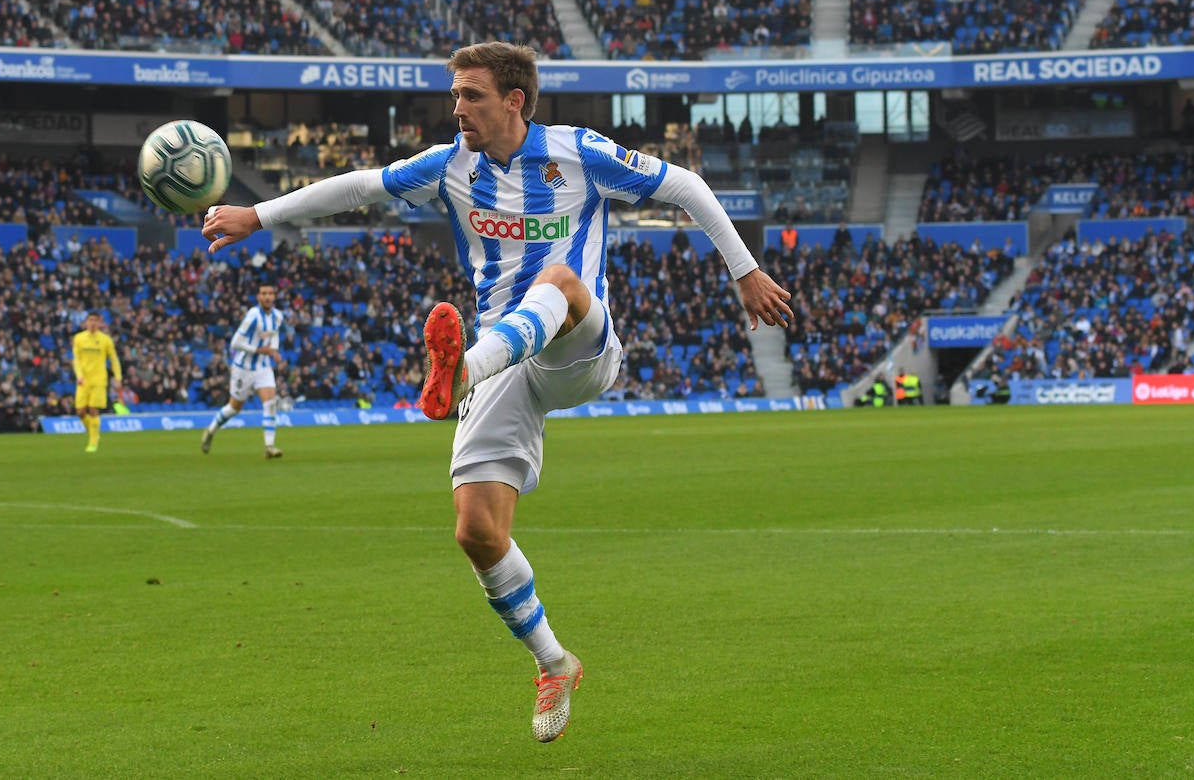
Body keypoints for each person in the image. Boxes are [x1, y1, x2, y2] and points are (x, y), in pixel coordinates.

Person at [202, 41, 793, 743]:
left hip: (579, 344)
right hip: (503, 358)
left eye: (471, 96)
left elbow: (686, 187)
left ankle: (460, 375)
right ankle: (554, 662)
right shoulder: (452, 165)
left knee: (559, 282)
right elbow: (361, 186)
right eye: (454, 95)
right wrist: (257, 215)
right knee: (477, 531)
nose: (457, 109)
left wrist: (745, 271)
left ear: (514, 101)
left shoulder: (578, 153)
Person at [201, 282, 286, 460]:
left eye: (271, 293)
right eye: (264, 293)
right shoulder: (253, 316)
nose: (268, 296)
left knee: (270, 403)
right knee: (234, 408)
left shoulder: (277, 316)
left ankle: (269, 446)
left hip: (263, 367)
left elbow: (275, 335)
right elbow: (235, 343)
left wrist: (273, 351)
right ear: (258, 297)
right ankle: (211, 430)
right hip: (243, 369)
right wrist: (258, 350)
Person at [71, 311, 122, 453]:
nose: (92, 323)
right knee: (80, 411)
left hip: (99, 380)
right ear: (86, 322)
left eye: (95, 320)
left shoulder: (106, 340)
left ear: (100, 323)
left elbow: (114, 359)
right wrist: (79, 375)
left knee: (93, 409)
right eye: (90, 320)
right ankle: (94, 433)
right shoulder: (78, 338)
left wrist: (118, 377)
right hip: (83, 380)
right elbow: (76, 359)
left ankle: (93, 442)